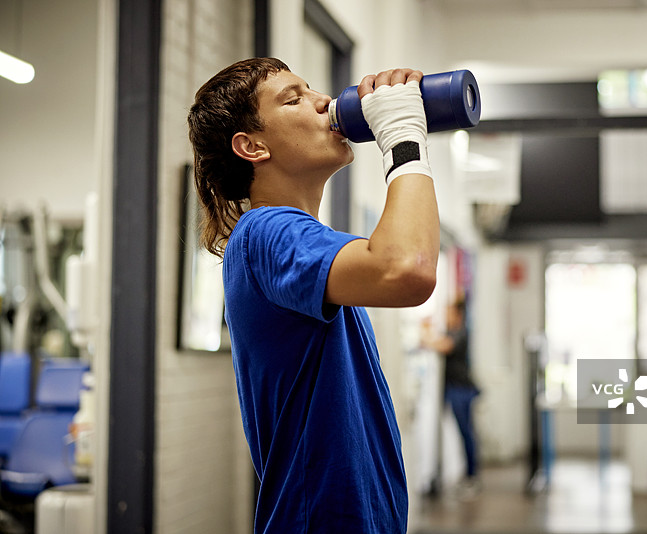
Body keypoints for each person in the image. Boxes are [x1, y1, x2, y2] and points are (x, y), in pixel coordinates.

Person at [187, 58, 440, 534]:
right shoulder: (265, 231)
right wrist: (404, 139)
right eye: (294, 97)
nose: (324, 101)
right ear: (252, 146)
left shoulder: (306, 244)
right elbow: (407, 269)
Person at [423, 298, 480, 496]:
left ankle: (472, 477)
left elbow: (443, 346)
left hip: (461, 389)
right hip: (453, 388)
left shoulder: (461, 332)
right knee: (460, 432)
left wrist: (425, 331)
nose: (445, 316)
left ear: (457, 314)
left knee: (466, 432)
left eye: (448, 312)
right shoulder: (450, 331)